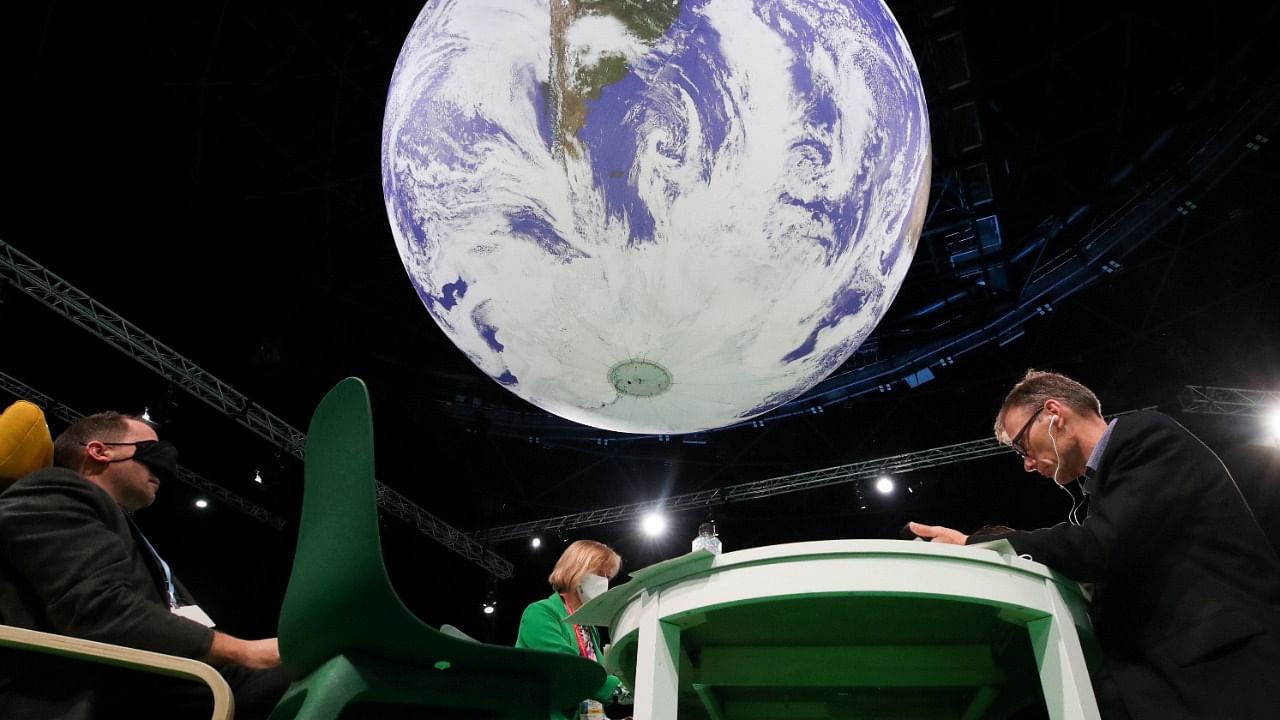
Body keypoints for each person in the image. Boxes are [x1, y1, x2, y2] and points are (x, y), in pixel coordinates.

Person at [908, 370, 1280, 719]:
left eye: (1023, 446)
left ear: (1053, 413)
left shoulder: (1146, 437)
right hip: (1174, 679)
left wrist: (976, 543)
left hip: (1224, 670)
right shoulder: (1109, 487)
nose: (1027, 463)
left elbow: (1099, 545)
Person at [0, 411, 290, 719]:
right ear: (99, 451)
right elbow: (101, 609)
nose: (163, 471)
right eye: (152, 454)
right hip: (114, 693)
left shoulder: (115, 524)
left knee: (324, 665)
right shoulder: (54, 490)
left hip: (180, 681)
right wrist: (246, 652)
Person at [516, 539, 627, 720]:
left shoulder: (590, 628)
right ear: (576, 570)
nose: (604, 583)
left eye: (608, 577)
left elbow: (587, 697)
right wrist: (622, 690)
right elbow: (569, 671)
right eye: (599, 574)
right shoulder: (540, 613)